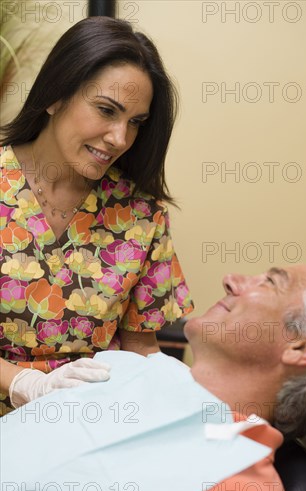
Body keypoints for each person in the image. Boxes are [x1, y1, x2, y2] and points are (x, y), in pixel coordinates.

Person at [1, 261, 306, 491]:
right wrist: (25, 383)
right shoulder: (120, 369)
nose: (231, 279)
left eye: (270, 283)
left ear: (303, 346)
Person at [0, 17, 194, 414]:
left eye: (136, 123)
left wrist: (175, 392)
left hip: (89, 427)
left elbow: (141, 347)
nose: (120, 138)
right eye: (107, 110)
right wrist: (23, 383)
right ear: (56, 96)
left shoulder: (141, 216)